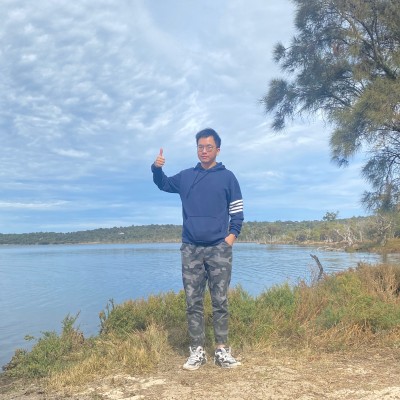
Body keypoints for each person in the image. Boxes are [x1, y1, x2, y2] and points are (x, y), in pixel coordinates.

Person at [151, 128, 244, 370]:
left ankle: (221, 350)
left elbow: (237, 212)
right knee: (193, 302)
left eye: (209, 147)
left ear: (218, 150)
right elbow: (163, 184)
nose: (204, 151)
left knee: (220, 301)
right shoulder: (186, 177)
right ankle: (197, 351)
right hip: (191, 248)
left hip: (219, 249)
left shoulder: (228, 178)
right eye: (200, 147)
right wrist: (156, 169)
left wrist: (230, 239)